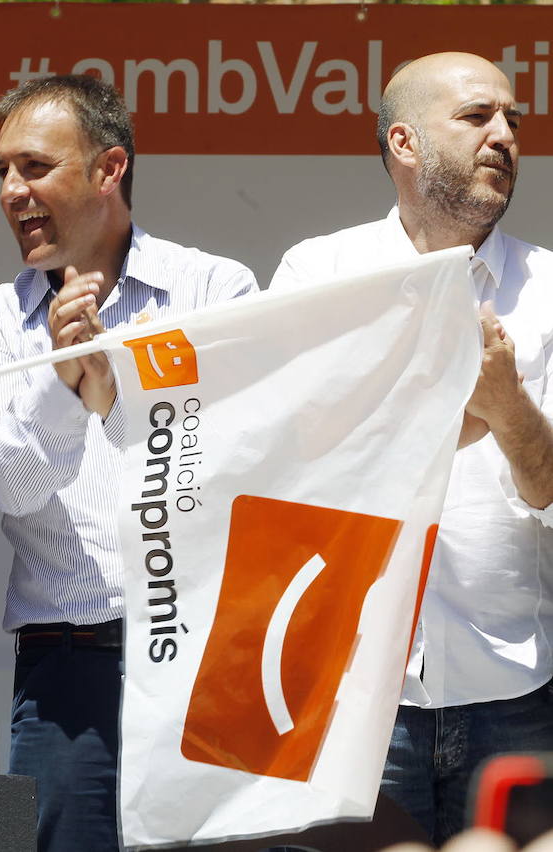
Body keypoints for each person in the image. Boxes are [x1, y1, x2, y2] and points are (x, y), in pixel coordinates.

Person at [0, 75, 257, 851]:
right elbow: (10, 489)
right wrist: (64, 384)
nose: (11, 190)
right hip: (68, 676)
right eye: (1, 172)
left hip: (199, 662)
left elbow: (229, 467)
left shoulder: (213, 290)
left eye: (32, 166)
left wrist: (115, 399)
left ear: (109, 170)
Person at [269, 52, 553, 845]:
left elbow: (552, 486)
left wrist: (510, 408)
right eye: (476, 117)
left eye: (513, 122)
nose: (504, 136)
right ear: (403, 143)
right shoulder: (316, 275)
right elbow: (294, 464)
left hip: (514, 688)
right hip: (354, 693)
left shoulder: (551, 290)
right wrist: (464, 418)